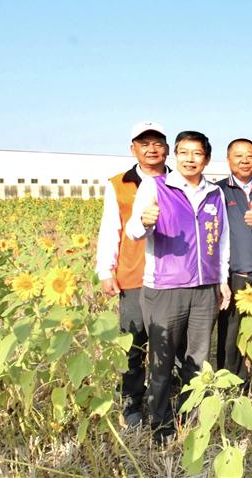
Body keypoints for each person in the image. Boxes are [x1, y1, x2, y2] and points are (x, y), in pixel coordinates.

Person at [126, 130, 231, 444]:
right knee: (161, 360)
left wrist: (222, 280)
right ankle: (160, 425)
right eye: (184, 152)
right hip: (165, 288)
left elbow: (221, 240)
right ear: (175, 156)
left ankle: (191, 417)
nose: (190, 159)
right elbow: (133, 231)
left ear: (207, 159)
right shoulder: (156, 186)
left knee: (196, 360)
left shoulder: (215, 193)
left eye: (197, 153)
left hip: (204, 289)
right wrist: (144, 221)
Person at [95, 121, 169, 428]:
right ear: (133, 149)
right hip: (132, 274)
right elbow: (110, 228)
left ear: (167, 148)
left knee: (168, 345)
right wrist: (105, 270)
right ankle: (132, 406)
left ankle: (166, 402)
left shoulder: (178, 182)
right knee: (133, 344)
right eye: (144, 143)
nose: (151, 149)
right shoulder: (119, 183)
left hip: (170, 276)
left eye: (157, 143)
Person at [215, 138, 252, 389]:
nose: (245, 160)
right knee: (232, 334)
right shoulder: (217, 191)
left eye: (250, 155)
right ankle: (232, 386)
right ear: (228, 160)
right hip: (236, 274)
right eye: (238, 155)